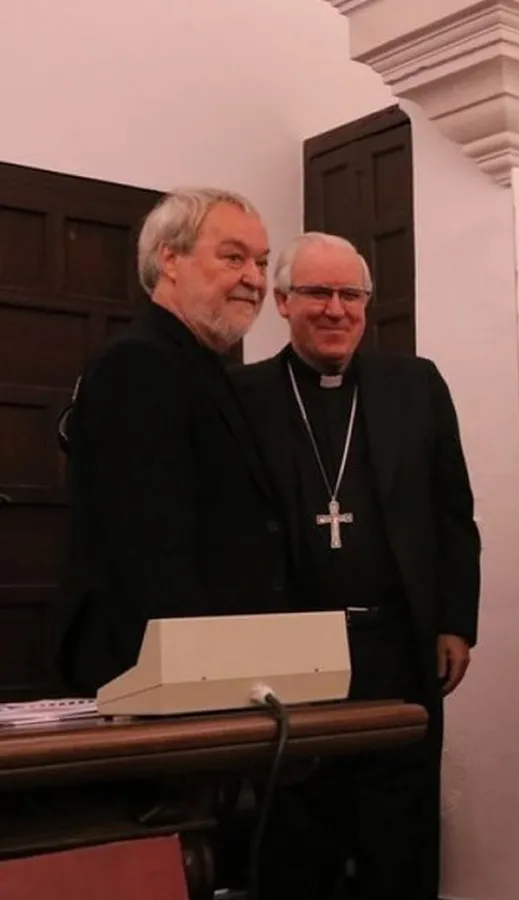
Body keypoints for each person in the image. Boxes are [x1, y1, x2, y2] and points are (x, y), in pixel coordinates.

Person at [231, 232, 480, 900]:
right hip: (288, 652)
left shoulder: (415, 385)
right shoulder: (243, 395)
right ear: (283, 301)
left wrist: (456, 622)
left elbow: (453, 512)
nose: (335, 309)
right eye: (317, 292)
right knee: (296, 834)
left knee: (399, 838)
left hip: (396, 646)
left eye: (350, 294)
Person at [51, 187, 289, 694]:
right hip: (156, 674)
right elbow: (146, 548)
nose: (255, 279)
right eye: (233, 258)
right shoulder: (139, 364)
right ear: (170, 260)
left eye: (262, 263)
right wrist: (199, 682)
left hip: (204, 664)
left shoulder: (202, 365)